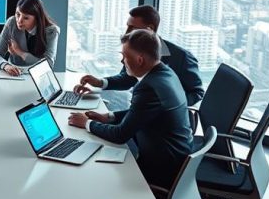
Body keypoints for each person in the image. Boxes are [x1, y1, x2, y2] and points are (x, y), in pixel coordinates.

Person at [68, 29, 193, 188]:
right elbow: (143, 113)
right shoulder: (166, 73)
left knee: (94, 174)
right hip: (176, 154)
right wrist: (108, 117)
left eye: (125, 56)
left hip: (162, 166)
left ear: (140, 60)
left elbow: (120, 135)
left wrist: (87, 123)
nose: (122, 62)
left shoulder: (149, 87)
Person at [74, 5, 205, 106]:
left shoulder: (182, 57)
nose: (127, 32)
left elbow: (197, 93)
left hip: (165, 123)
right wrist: (99, 82)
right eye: (127, 27)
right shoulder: (133, 50)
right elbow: (126, 79)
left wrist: (168, 103)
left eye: (132, 28)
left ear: (150, 29)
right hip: (138, 109)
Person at [0, 0, 61, 76]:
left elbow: (48, 64)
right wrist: (6, 66)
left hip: (38, 76)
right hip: (13, 74)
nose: (19, 21)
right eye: (18, 14)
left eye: (26, 18)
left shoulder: (52, 31)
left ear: (37, 18)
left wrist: (20, 53)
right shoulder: (11, 23)